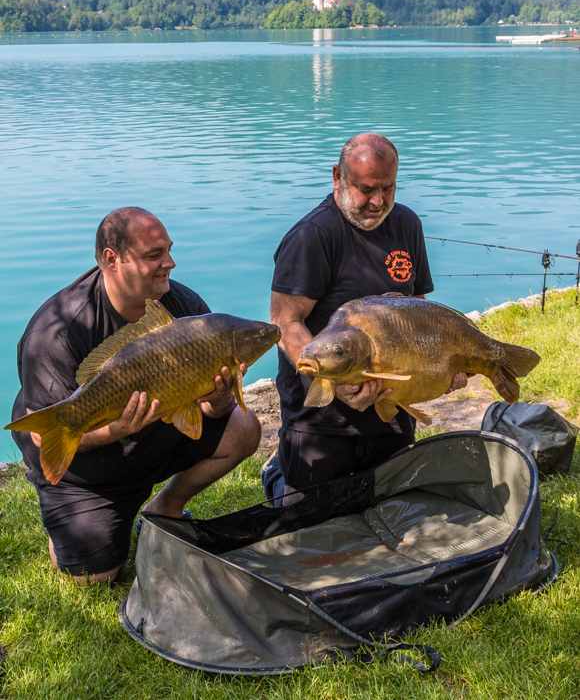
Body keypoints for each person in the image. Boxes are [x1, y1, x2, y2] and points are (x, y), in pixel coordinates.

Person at [11, 207, 260, 585]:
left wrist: (221, 396)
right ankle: (65, 521)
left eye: (169, 251)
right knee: (93, 577)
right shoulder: (58, 330)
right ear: (112, 260)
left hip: (151, 431)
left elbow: (210, 411)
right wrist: (114, 430)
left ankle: (166, 508)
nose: (170, 263)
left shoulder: (185, 309)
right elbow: (42, 435)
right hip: (87, 465)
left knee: (244, 428)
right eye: (153, 255)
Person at [270, 133, 467, 500]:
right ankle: (278, 473)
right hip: (321, 417)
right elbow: (284, 322)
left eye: (388, 188)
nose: (378, 201)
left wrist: (442, 367)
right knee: (308, 525)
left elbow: (420, 314)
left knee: (389, 513)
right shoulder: (313, 236)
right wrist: (338, 387)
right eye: (366, 189)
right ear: (337, 177)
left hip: (390, 412)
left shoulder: (407, 224)